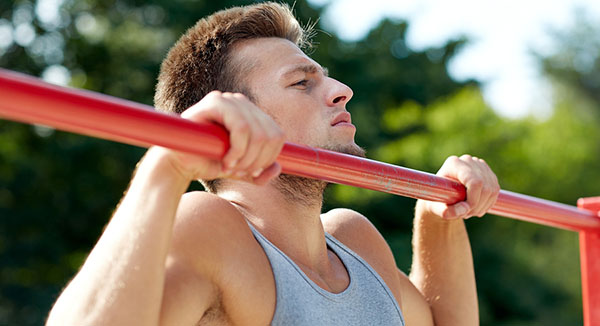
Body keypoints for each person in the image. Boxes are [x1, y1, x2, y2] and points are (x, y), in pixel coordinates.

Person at [46, 2, 499, 325]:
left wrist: (440, 213)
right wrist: (166, 166)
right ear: (234, 114)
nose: (342, 89)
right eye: (302, 82)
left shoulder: (354, 237)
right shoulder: (211, 227)